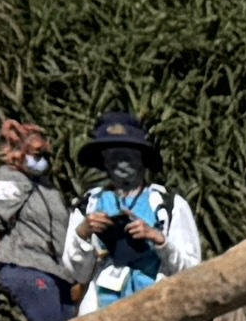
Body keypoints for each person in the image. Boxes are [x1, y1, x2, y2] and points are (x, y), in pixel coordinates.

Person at [0, 117, 81, 321]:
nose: (40, 160)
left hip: (57, 272)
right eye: (35, 155)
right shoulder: (6, 180)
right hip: (26, 267)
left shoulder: (47, 187)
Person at [71, 114, 190, 309]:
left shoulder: (168, 205)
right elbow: (79, 274)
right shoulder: (89, 205)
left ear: (142, 158)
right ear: (104, 161)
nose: (121, 163)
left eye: (128, 155)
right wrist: (83, 233)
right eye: (113, 156)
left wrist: (158, 239)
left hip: (158, 310)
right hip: (102, 314)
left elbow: (191, 270)